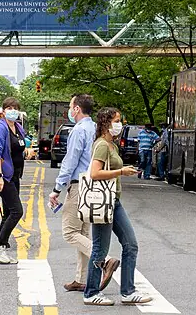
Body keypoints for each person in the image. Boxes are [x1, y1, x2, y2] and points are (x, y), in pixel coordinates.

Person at [49, 94, 119, 293]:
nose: (70, 111)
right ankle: (81, 279)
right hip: (94, 185)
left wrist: (57, 189)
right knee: (83, 233)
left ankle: (105, 261)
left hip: (79, 185)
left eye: (71, 107)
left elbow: (70, 161)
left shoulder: (78, 130)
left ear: (77, 109)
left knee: (70, 233)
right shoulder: (96, 129)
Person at [83, 107, 151, 306]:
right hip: (103, 202)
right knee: (100, 249)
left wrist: (121, 171)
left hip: (115, 201)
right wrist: (121, 171)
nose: (119, 124)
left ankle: (128, 291)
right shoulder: (102, 145)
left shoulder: (112, 145)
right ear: (106, 123)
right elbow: (94, 173)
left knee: (131, 244)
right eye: (117, 120)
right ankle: (91, 292)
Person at [0, 97, 27, 264]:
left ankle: (1, 248)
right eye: (10, 108)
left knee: (9, 212)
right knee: (17, 211)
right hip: (2, 176)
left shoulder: (17, 127)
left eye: (16, 108)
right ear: (3, 111)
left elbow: (19, 146)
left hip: (14, 174)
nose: (13, 111)